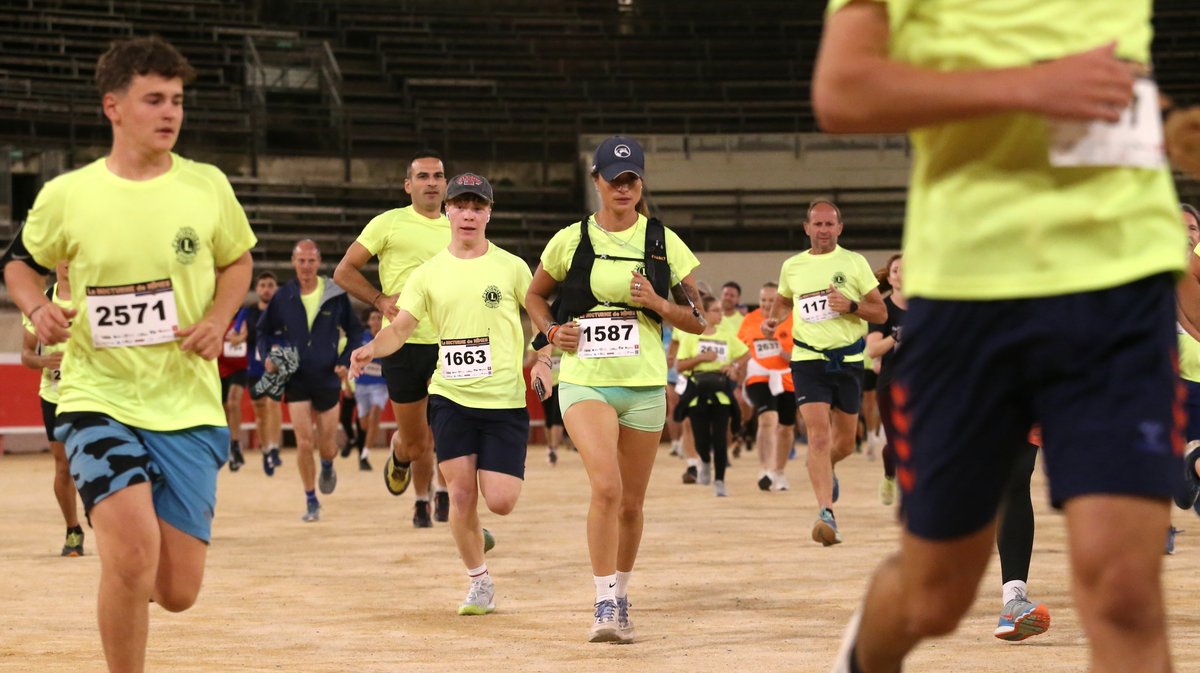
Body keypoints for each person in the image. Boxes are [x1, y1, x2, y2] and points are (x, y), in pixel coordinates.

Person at [814, 3, 1185, 671]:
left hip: (1120, 284)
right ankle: (861, 656)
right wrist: (1033, 87)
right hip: (969, 292)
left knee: (1126, 593)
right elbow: (843, 89)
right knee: (936, 593)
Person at [3, 37, 255, 673]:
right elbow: (20, 266)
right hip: (95, 398)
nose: (170, 112)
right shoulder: (68, 194)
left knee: (176, 591)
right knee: (131, 557)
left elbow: (238, 260)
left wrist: (219, 318)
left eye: (176, 100)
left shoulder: (208, 185)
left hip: (188, 406)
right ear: (114, 106)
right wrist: (37, 309)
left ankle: (130, 588)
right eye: (153, 99)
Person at [526, 135, 705, 643]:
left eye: (631, 179)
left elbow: (699, 320)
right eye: (614, 178)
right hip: (585, 380)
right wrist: (550, 333)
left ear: (640, 183)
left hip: (644, 384)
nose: (623, 187)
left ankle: (622, 594)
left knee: (631, 502)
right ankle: (603, 601)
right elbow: (536, 295)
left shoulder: (664, 241)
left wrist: (658, 302)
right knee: (606, 487)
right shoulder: (570, 239)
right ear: (597, 181)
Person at [350, 173, 532, 615]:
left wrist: (542, 357)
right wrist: (371, 348)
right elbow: (401, 329)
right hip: (450, 397)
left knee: (502, 501)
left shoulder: (512, 267)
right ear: (448, 210)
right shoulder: (427, 274)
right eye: (461, 205)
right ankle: (479, 582)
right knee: (461, 493)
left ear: (489, 213)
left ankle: (475, 531)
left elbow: (540, 318)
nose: (468, 214)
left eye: (478, 206)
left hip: (504, 399)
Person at [334, 150, 450, 528]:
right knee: (417, 441)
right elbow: (344, 271)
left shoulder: (460, 226)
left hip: (452, 343)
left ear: (446, 184)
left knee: (448, 427)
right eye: (423, 176)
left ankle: (437, 498)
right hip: (402, 343)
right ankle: (401, 457)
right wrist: (379, 299)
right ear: (408, 185)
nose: (431, 182)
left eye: (438, 176)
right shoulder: (387, 224)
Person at [765, 200, 886, 546]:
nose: (823, 230)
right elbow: (786, 299)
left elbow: (878, 313)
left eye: (829, 224)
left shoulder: (854, 263)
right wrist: (776, 317)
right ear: (806, 228)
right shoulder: (793, 266)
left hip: (847, 362)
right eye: (817, 224)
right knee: (818, 437)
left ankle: (826, 466)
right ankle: (826, 513)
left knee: (844, 442)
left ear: (839, 228)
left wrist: (850, 306)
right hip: (808, 360)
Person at [257, 239, 362, 522]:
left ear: (318, 263)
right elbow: (263, 331)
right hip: (296, 378)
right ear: (294, 262)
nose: (305, 266)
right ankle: (311, 499)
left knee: (327, 443)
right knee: (304, 442)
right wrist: (267, 355)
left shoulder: (334, 293)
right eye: (301, 261)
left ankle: (327, 464)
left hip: (328, 377)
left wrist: (344, 362)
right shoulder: (283, 296)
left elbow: (355, 332)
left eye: (311, 261)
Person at [19, 260, 84, 556]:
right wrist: (43, 361)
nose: (69, 263)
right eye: (64, 257)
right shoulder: (42, 303)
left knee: (98, 457)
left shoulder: (92, 300)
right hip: (54, 395)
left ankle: (103, 511)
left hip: (92, 394)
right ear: (56, 262)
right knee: (64, 466)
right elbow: (26, 354)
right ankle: (73, 530)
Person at [674, 295, 750, 496]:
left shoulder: (726, 335)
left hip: (720, 391)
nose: (720, 314)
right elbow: (679, 366)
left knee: (720, 438)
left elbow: (745, 353)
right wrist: (701, 358)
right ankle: (705, 462)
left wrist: (733, 366)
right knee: (700, 438)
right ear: (705, 312)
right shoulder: (691, 336)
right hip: (698, 390)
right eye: (716, 310)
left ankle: (720, 481)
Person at [737, 281, 796, 492]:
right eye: (763, 300)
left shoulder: (792, 319)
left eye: (771, 300)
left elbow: (802, 349)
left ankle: (779, 471)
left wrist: (790, 356)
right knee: (767, 418)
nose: (766, 304)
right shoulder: (749, 320)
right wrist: (737, 369)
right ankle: (765, 470)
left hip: (787, 378)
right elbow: (740, 348)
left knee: (786, 427)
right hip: (758, 376)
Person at [245, 271, 284, 475]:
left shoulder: (283, 312)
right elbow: (239, 335)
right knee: (260, 414)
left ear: (275, 288)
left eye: (270, 285)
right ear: (256, 289)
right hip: (254, 368)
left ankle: (275, 448)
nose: (267, 288)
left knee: (273, 403)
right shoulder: (249, 313)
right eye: (263, 285)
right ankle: (265, 449)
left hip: (276, 367)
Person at [353, 307, 390, 472]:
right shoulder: (361, 338)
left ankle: (365, 454)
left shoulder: (389, 337)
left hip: (380, 386)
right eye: (373, 318)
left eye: (379, 318)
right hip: (361, 386)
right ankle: (364, 443)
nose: (376, 321)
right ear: (368, 322)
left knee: (376, 413)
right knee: (364, 423)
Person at [217, 306, 249, 471]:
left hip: (239, 369)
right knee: (224, 411)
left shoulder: (245, 316)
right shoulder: (216, 316)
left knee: (233, 403)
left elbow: (251, 333)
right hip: (219, 370)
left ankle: (236, 446)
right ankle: (230, 445)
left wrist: (243, 336)